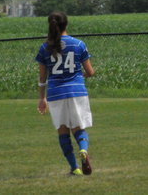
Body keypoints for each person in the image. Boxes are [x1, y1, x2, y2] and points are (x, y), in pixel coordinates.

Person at [35, 11, 95, 176]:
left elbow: (42, 78)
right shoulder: (78, 44)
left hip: (55, 93)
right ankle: (83, 150)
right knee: (78, 127)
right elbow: (90, 72)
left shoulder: (45, 48)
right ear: (66, 24)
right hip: (77, 90)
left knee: (63, 131)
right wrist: (78, 76)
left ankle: (74, 168)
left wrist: (42, 98)